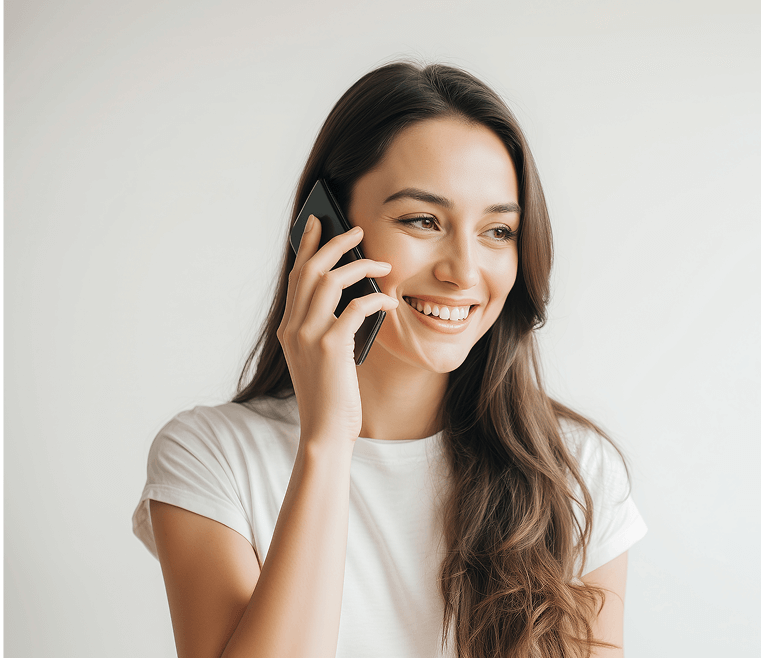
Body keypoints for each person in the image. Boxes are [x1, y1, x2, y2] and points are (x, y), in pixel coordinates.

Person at [132, 60, 647, 658]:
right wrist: (327, 441)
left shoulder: (576, 471)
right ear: (325, 233)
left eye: (498, 231)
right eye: (423, 221)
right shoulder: (212, 457)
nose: (463, 272)